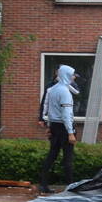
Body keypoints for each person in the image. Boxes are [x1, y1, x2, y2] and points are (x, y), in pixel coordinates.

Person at [39, 64, 77, 193]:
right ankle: (70, 187)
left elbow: (49, 109)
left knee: (52, 155)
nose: (73, 77)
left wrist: (49, 126)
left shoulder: (53, 89)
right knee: (68, 158)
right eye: (72, 74)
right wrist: (70, 132)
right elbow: (66, 114)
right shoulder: (65, 92)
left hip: (54, 126)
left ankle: (43, 184)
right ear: (66, 75)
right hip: (64, 127)